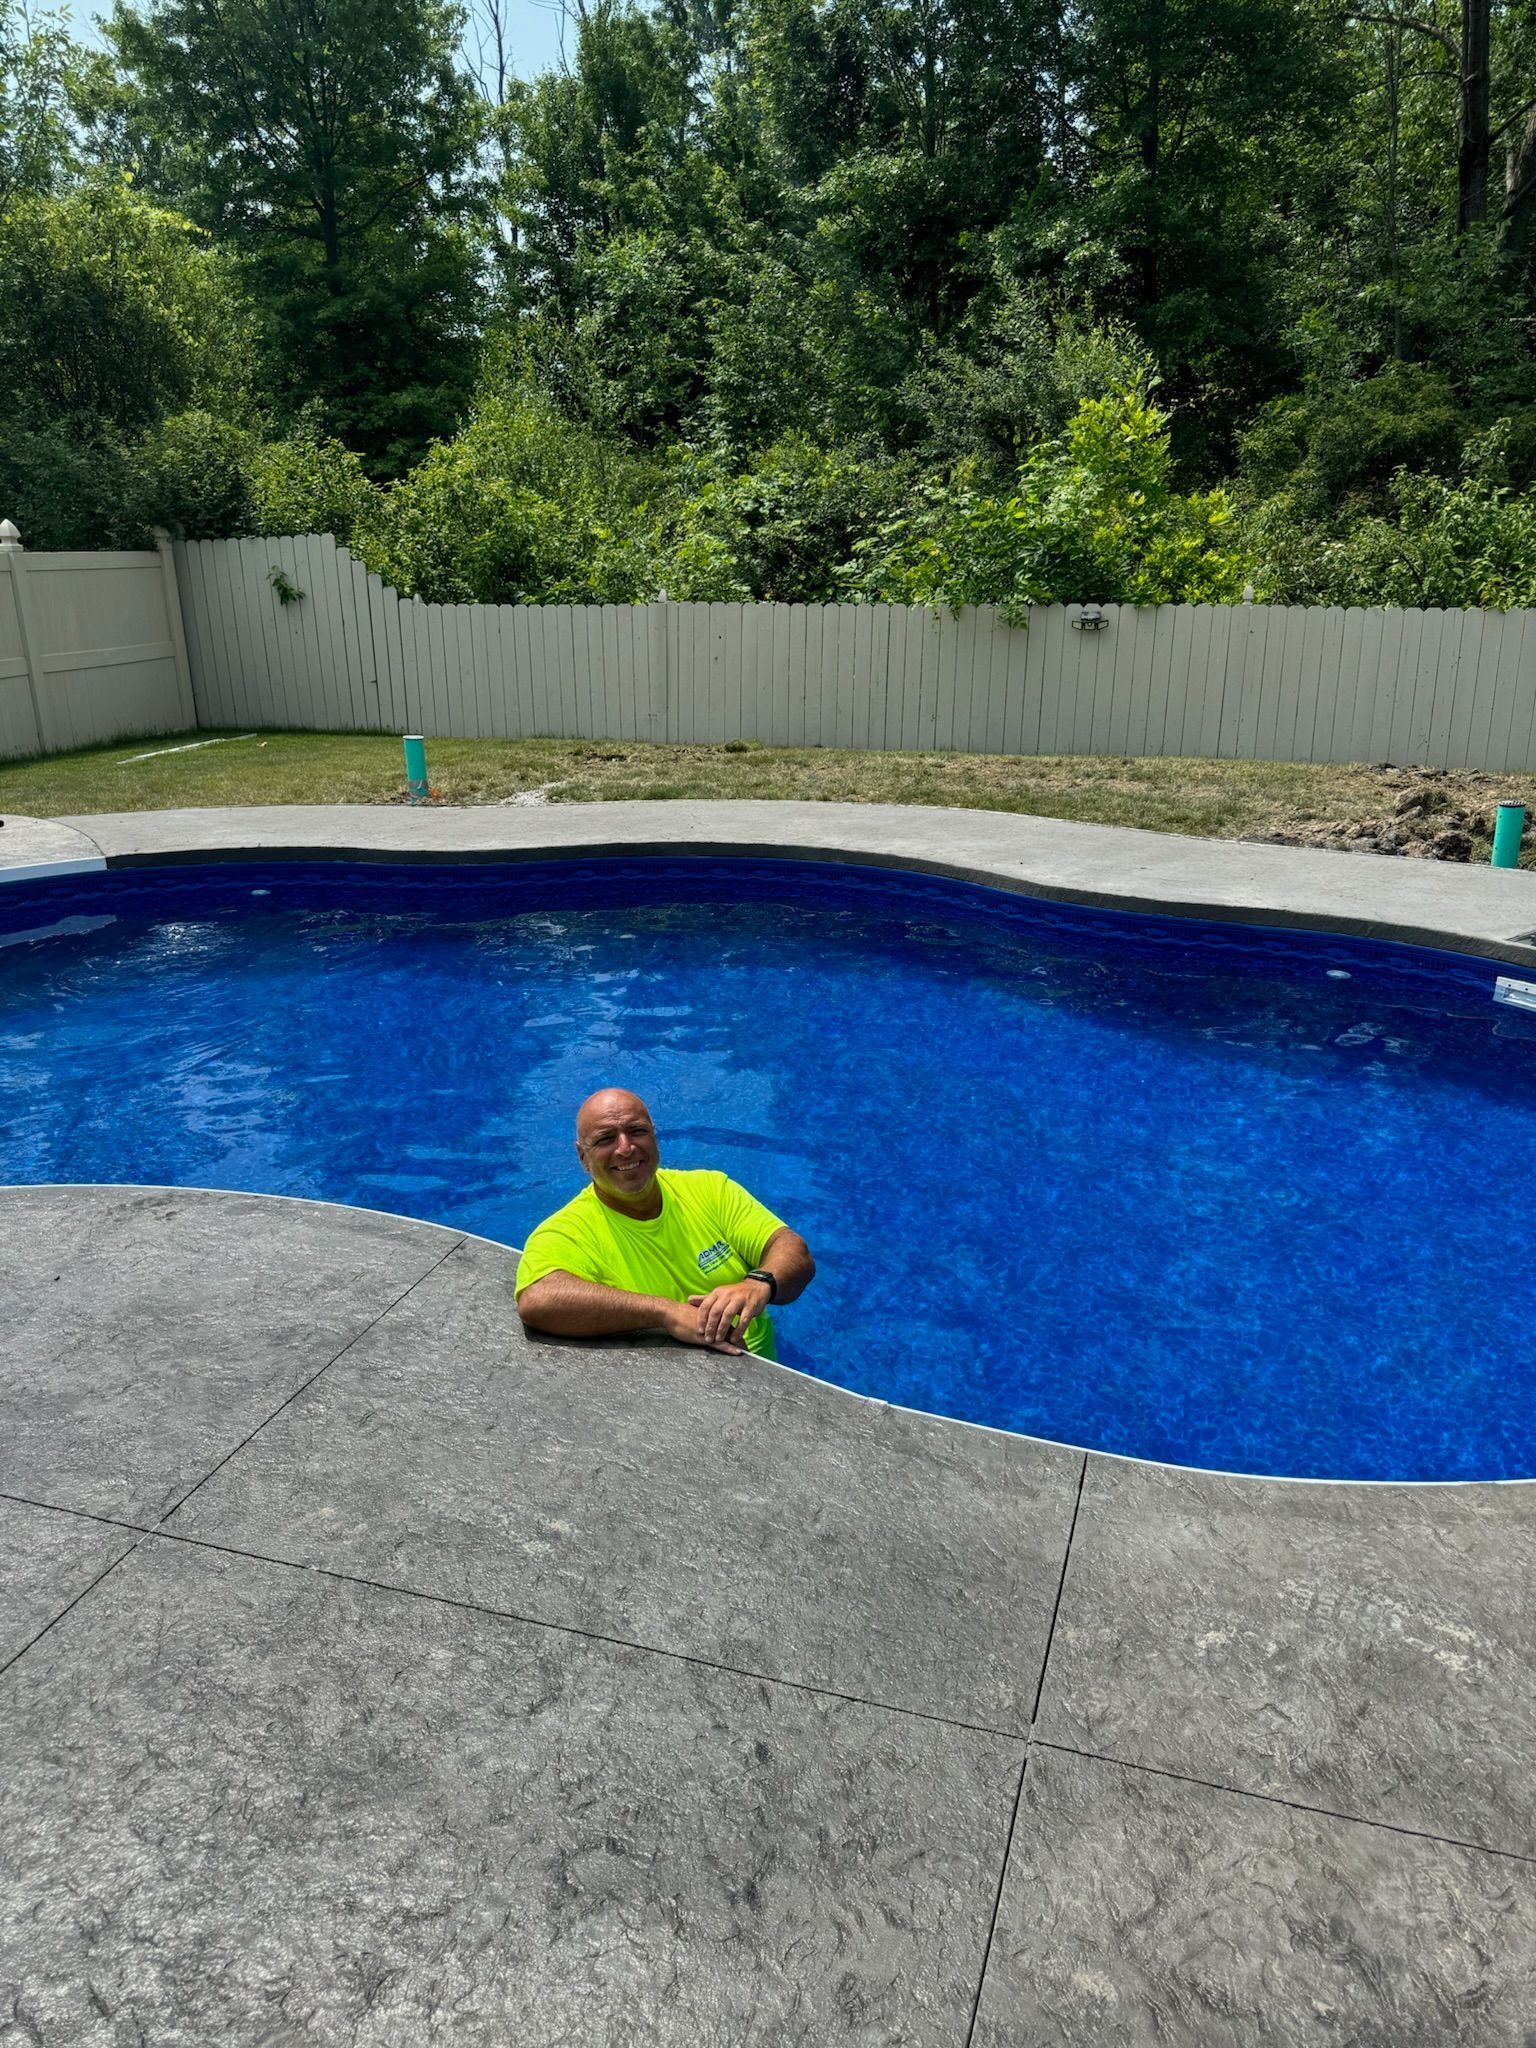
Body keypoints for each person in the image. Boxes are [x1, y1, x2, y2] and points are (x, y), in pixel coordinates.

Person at [515, 1088, 814, 1357]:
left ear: (654, 1137)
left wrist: (758, 1284)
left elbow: (792, 1250)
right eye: (606, 1138)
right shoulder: (567, 1230)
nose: (625, 1148)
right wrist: (666, 1313)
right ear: (583, 1157)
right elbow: (538, 1299)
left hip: (760, 1370)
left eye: (637, 1131)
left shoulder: (711, 1190)